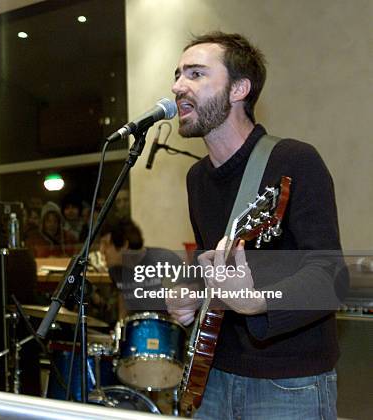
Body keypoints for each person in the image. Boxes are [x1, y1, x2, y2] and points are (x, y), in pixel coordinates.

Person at [165, 32, 347, 419]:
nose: (178, 86)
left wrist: (261, 301)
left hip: (288, 383)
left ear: (239, 89)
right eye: (178, 74)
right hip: (211, 375)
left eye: (196, 74)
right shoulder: (197, 178)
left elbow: (331, 277)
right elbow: (211, 262)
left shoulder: (295, 161)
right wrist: (187, 291)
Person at [100, 218, 183, 320]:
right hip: (137, 330)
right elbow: (123, 304)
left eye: (106, 244)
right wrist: (120, 329)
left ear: (124, 245)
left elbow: (181, 307)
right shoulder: (115, 271)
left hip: (165, 328)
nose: (101, 250)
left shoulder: (166, 261)